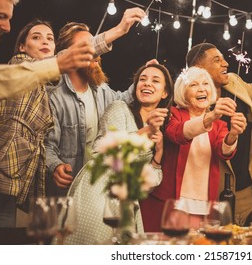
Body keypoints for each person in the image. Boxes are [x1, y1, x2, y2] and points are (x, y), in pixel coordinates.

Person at [64, 63, 173, 244]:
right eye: (142, 80)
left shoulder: (161, 131)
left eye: (155, 80)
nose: (147, 84)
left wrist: (158, 154)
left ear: (165, 93)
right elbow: (104, 150)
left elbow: (148, 185)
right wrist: (146, 131)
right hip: (97, 190)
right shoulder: (119, 108)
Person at [185, 43, 252, 226]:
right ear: (199, 69)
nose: (225, 63)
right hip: (226, 192)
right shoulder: (193, 102)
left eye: (223, 58)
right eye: (217, 60)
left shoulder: (234, 81)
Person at [45, 14, 146, 196]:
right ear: (68, 55)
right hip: (67, 193)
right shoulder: (55, 96)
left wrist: (143, 78)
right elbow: (47, 146)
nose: (97, 55)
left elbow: (122, 100)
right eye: (88, 46)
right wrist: (55, 166)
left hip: (96, 191)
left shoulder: (101, 90)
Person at [140, 66, 247, 231]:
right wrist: (210, 117)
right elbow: (177, 133)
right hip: (171, 203)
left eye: (205, 84)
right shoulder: (172, 113)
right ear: (183, 92)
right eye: (194, 85)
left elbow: (224, 151)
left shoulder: (219, 125)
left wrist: (233, 134)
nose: (202, 88)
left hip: (202, 205)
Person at [0, 0, 95, 101]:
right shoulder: (19, 64)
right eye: (36, 37)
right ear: (21, 47)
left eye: (50, 38)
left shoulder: (53, 84)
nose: (7, 27)